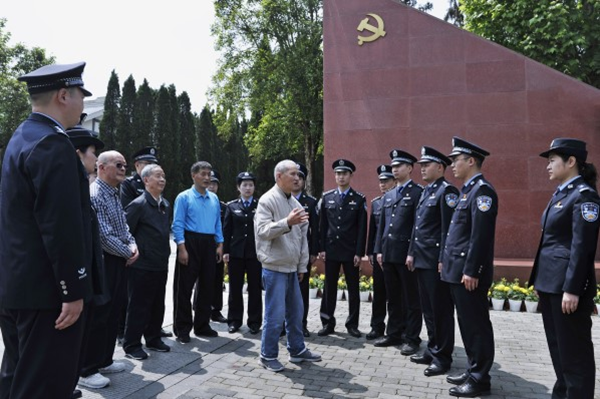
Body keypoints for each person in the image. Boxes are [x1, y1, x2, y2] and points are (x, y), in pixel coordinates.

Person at [0, 62, 92, 398]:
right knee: (45, 387)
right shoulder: (53, 144)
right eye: (81, 94)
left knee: (16, 380)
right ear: (64, 95)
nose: (83, 104)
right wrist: (72, 290)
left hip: (18, 288)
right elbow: (60, 227)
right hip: (48, 294)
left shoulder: (23, 135)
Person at [529, 138, 600, 399]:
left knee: (575, 356)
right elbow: (550, 244)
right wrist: (540, 281)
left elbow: (582, 248)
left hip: (566, 289)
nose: (547, 166)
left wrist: (572, 289)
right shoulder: (561, 193)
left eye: (552, 161)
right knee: (559, 350)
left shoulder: (584, 196)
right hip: (551, 285)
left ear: (571, 162)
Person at [441, 137, 497, 398]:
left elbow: (479, 236)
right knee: (466, 324)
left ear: (471, 161)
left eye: (456, 160)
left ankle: (479, 379)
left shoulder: (482, 191)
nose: (452, 165)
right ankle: (473, 369)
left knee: (476, 326)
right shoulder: (467, 190)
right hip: (458, 271)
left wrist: (472, 270)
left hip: (469, 274)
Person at [255, 160, 321, 372]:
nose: (296, 178)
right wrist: (286, 223)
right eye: (292, 174)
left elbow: (303, 239)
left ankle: (297, 350)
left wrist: (302, 266)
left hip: (292, 269)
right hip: (274, 268)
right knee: (275, 316)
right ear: (279, 176)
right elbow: (263, 231)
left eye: (298, 174)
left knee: (296, 313)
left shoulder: (296, 204)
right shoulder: (267, 200)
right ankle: (267, 355)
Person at [80, 151, 139, 389]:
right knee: (99, 315)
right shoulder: (95, 194)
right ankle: (86, 369)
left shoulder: (114, 194)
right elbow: (104, 236)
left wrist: (133, 245)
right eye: (118, 164)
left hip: (120, 260)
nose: (124, 168)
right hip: (104, 261)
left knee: (114, 311)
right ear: (101, 167)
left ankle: (104, 359)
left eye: (124, 165)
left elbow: (123, 227)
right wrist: (129, 252)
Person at [66, 125, 110, 396]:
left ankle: (70, 380)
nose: (96, 160)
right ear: (77, 153)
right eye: (93, 153)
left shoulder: (80, 185)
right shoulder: (69, 187)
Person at [406, 146, 459, 376]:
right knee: (428, 309)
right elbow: (417, 229)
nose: (422, 169)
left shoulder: (447, 192)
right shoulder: (427, 191)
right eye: (421, 166)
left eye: (426, 165)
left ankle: (443, 357)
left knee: (441, 311)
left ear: (440, 167)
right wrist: (411, 253)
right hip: (421, 260)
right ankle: (432, 348)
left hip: (435, 262)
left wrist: (443, 259)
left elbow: (448, 230)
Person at [118, 146, 171, 341]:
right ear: (146, 179)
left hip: (160, 262)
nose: (162, 179)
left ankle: (153, 338)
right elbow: (126, 229)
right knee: (138, 304)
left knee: (158, 304)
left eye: (163, 176)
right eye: (158, 176)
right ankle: (131, 343)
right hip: (141, 262)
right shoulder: (137, 202)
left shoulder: (165, 204)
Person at [373, 150, 423, 356]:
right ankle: (393, 332)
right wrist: (378, 250)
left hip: (406, 255)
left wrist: (412, 252)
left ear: (410, 168)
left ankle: (412, 337)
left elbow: (417, 226)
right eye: (392, 166)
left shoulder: (418, 192)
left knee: (411, 299)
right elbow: (382, 226)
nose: (394, 169)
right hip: (389, 253)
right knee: (392, 297)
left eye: (399, 166)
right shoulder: (390, 195)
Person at [172, 161, 224, 343]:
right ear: (193, 175)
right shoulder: (184, 197)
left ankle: (202, 325)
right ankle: (182, 328)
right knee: (184, 288)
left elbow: (218, 222)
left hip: (209, 242)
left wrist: (220, 243)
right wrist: (182, 248)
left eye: (209, 174)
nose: (207, 178)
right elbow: (177, 224)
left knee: (207, 286)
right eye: (203, 174)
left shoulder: (214, 199)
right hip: (190, 241)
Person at [318, 159, 367, 338]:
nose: (341, 177)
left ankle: (352, 324)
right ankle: (327, 322)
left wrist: (359, 253)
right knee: (329, 287)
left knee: (353, 289)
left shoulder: (359, 199)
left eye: (344, 173)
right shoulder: (327, 197)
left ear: (351, 176)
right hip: (331, 249)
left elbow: (362, 228)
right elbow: (322, 226)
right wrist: (322, 248)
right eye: (338, 173)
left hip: (350, 250)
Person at [223, 172, 262, 334]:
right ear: (238, 187)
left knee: (255, 288)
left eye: (250, 185)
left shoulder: (260, 205)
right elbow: (226, 230)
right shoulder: (231, 206)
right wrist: (225, 251)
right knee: (235, 288)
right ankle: (234, 320)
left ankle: (254, 322)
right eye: (244, 185)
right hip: (236, 254)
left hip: (255, 254)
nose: (248, 188)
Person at [365, 165, 395, 341]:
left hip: (394, 255)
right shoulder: (376, 202)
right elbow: (373, 230)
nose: (382, 185)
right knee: (379, 293)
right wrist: (370, 251)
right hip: (378, 255)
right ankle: (377, 327)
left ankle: (397, 328)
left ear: (394, 181)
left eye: (386, 181)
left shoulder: (399, 199)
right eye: (380, 181)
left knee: (396, 295)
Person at [291, 163, 319, 338]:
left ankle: (302, 323)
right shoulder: (281, 199)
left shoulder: (310, 202)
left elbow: (315, 230)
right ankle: (284, 324)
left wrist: (314, 252)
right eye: (293, 176)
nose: (296, 180)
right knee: (284, 290)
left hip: (303, 253)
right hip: (285, 252)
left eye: (300, 177)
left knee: (302, 290)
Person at [207, 170, 228, 324]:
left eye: (214, 184)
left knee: (217, 279)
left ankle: (216, 310)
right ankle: (201, 309)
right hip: (202, 246)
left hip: (218, 247)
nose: (212, 187)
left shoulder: (223, 206)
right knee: (202, 280)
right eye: (209, 183)